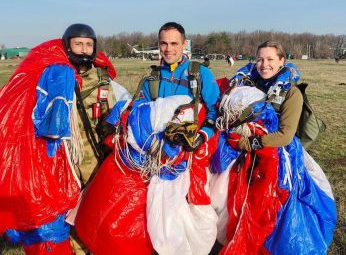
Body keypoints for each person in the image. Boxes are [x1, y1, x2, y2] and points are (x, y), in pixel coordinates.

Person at [74, 22, 221, 255]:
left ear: (184, 44)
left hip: (188, 155)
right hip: (154, 155)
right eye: (164, 43)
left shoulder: (199, 74)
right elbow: (137, 110)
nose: (169, 48)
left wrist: (202, 137)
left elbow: (215, 112)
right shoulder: (152, 78)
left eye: (174, 43)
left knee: (183, 215)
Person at [210, 41, 337, 254]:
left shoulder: (291, 93)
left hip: (279, 157)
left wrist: (250, 142)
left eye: (270, 59)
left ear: (281, 61)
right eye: (260, 59)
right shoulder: (249, 86)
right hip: (244, 155)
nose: (264, 64)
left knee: (275, 207)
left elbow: (285, 136)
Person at [0, 23, 118, 254]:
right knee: (68, 207)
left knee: (93, 205)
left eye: (88, 45)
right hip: (63, 156)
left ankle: (88, 245)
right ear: (68, 46)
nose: (84, 50)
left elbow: (112, 111)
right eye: (78, 44)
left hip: (95, 154)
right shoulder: (53, 75)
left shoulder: (102, 78)